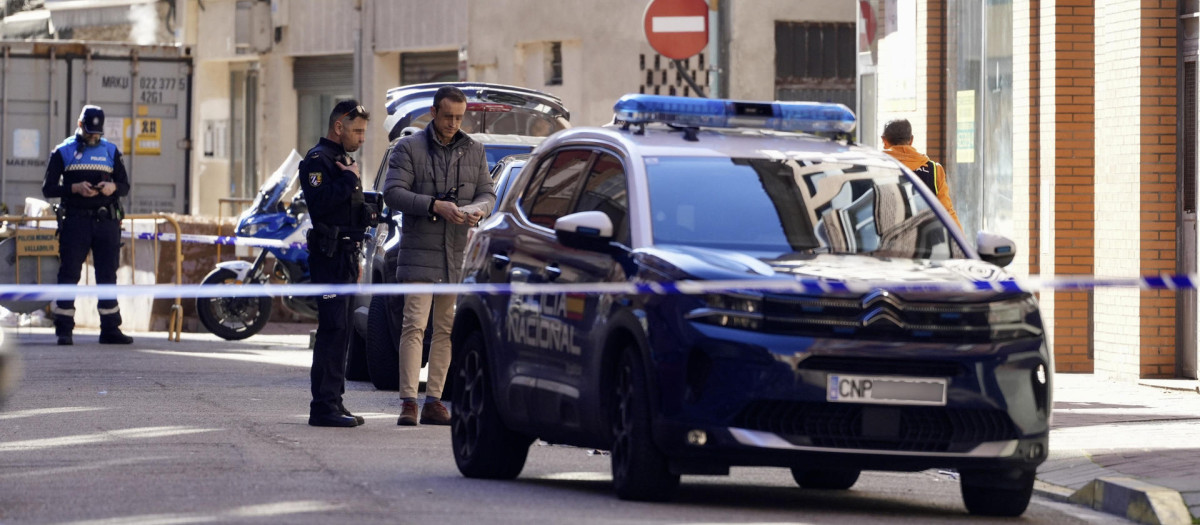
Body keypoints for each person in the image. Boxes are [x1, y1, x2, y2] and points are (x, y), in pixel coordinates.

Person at [383, 86, 495, 426]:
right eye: (448, 116)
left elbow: (488, 193)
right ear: (433, 113)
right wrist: (435, 206)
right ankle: (408, 402)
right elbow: (393, 193)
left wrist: (477, 209)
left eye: (459, 117)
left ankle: (434, 401)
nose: (453, 123)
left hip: (457, 253)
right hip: (420, 251)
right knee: (414, 325)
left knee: (446, 329)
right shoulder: (408, 147)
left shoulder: (475, 150)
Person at [299, 100, 376, 428]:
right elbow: (319, 204)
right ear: (338, 126)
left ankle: (335, 401)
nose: (361, 138)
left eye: (364, 132)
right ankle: (322, 407)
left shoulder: (343, 161)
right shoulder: (317, 160)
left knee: (342, 330)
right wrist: (348, 181)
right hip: (329, 257)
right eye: (356, 131)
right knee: (332, 330)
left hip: (347, 255)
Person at [41, 105, 133, 346]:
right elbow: (48, 188)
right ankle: (64, 330)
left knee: (107, 276)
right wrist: (74, 188)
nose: (94, 137)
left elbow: (124, 186)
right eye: (90, 132)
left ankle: (110, 329)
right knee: (69, 274)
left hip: (107, 222)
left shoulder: (111, 151)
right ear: (80, 125)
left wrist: (113, 187)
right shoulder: (63, 151)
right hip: (76, 221)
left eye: (97, 134)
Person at [881, 119, 963, 231]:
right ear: (911, 140)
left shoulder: (876, 168)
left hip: (886, 242)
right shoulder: (934, 170)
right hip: (926, 243)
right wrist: (961, 243)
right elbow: (947, 212)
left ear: (884, 140)